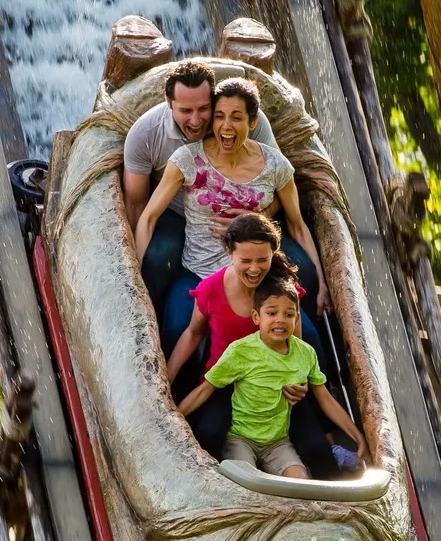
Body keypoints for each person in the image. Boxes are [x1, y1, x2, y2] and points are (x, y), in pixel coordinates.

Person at [135, 76, 328, 355]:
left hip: (256, 274)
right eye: (220, 117)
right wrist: (135, 274)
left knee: (308, 340)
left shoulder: (276, 165)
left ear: (252, 123)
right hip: (199, 272)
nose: (226, 126)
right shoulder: (187, 159)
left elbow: (297, 225)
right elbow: (149, 218)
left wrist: (322, 283)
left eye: (236, 117)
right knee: (177, 330)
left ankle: (312, 391)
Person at [166, 213, 337, 475]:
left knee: (316, 449)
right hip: (226, 382)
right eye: (245, 261)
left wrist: (299, 382)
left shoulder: (281, 291)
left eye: (262, 260)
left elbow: (296, 347)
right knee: (209, 433)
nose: (254, 269)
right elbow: (193, 334)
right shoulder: (211, 288)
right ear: (229, 253)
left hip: (276, 383)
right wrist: (166, 379)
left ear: (273, 254)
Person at [122, 60, 277, 316]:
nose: (196, 120)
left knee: (298, 265)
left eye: (204, 109)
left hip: (242, 214)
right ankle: (149, 318)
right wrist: (133, 269)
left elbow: (279, 182)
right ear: (168, 103)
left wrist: (259, 218)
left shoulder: (237, 124)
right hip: (175, 212)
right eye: (185, 110)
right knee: (159, 256)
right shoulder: (146, 134)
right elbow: (137, 205)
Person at [178, 274, 367, 480]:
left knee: (301, 481)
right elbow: (204, 390)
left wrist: (357, 436)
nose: (280, 320)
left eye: (288, 314)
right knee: (247, 481)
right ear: (257, 317)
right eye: (271, 313)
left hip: (277, 442)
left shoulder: (305, 353)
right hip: (241, 439)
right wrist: (175, 418)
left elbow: (326, 400)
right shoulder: (240, 351)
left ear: (296, 318)